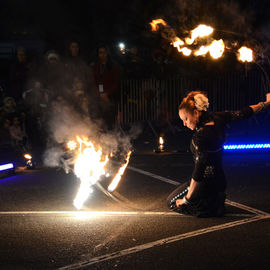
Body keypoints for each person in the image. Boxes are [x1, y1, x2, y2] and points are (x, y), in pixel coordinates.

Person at [167, 91, 270, 217]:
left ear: (196, 113)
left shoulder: (200, 137)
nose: (184, 123)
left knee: (171, 202)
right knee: (198, 188)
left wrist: (186, 200)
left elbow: (199, 171)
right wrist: (266, 103)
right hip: (220, 182)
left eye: (186, 119)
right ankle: (215, 202)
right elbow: (244, 113)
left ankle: (205, 207)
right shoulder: (219, 118)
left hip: (204, 185)